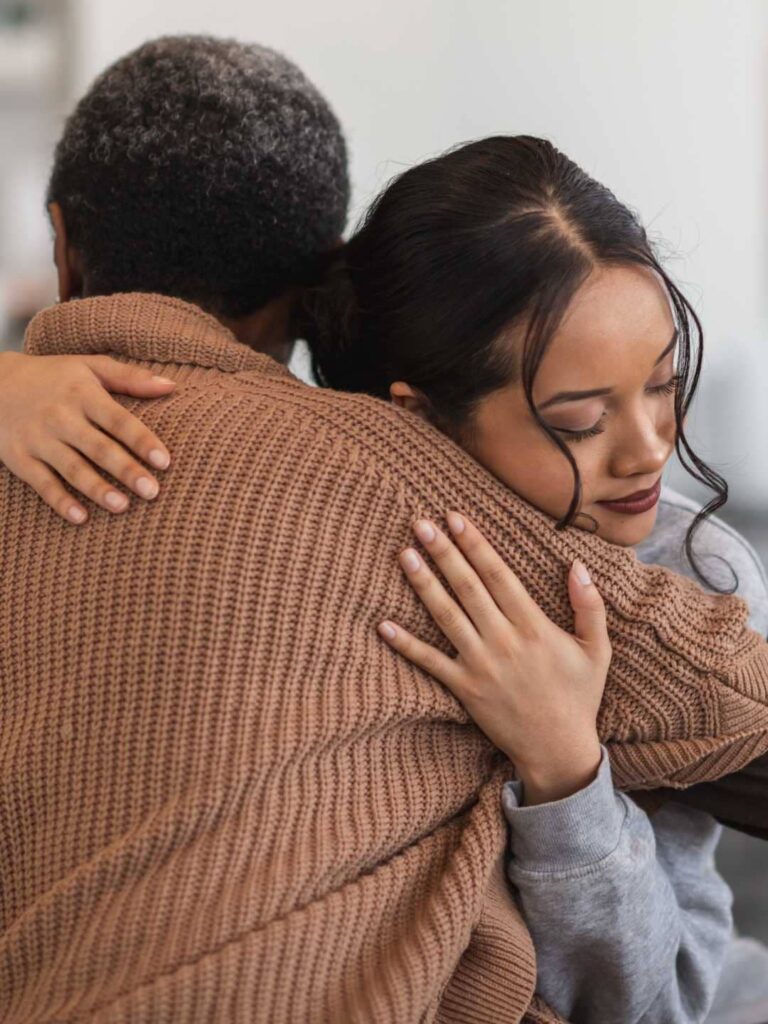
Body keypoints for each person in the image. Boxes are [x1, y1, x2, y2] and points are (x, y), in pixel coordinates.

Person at [2, 36, 768, 1024]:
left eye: (667, 387)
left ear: (60, 242)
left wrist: (563, 767)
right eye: (577, 419)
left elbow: (675, 992)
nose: (650, 447)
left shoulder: (675, 562)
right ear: (418, 417)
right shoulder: (385, 480)